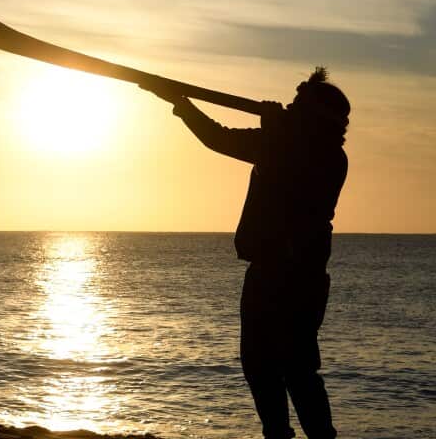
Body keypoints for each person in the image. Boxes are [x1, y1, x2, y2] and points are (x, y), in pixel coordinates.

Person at [145, 68, 349, 439]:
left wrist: (273, 130)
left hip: (294, 277)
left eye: (298, 105)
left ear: (314, 117)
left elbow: (292, 181)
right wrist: (181, 104)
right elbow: (217, 138)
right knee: (259, 365)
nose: (289, 107)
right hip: (267, 270)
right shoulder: (282, 141)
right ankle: (276, 435)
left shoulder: (325, 156)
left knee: (297, 368)